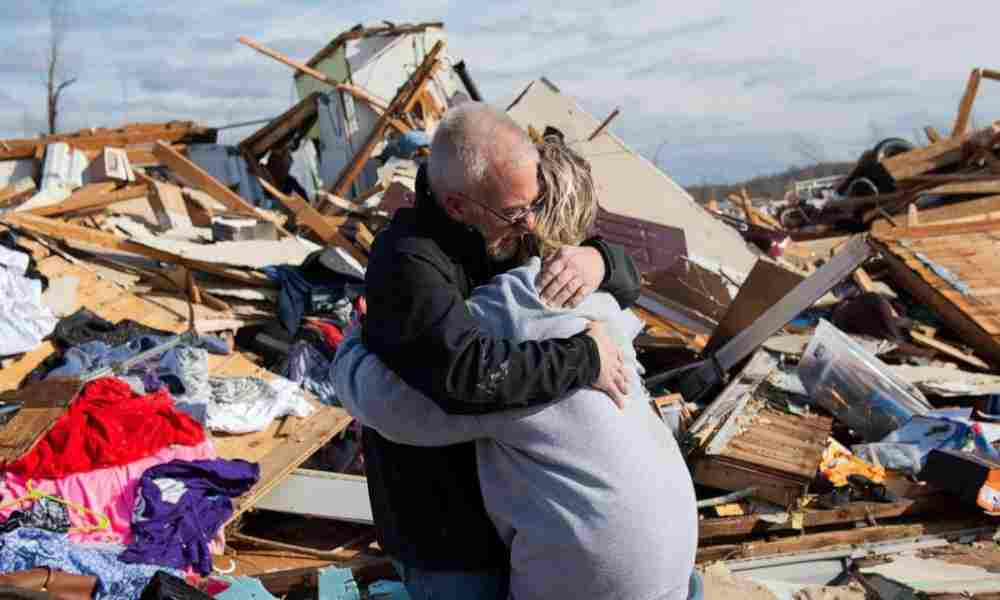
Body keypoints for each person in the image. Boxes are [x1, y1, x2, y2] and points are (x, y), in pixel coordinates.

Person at [334, 135, 698, 599]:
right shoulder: (597, 300)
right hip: (671, 545)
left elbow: (397, 408)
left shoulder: (513, 308)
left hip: (596, 563)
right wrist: (604, 262)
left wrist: (349, 347)